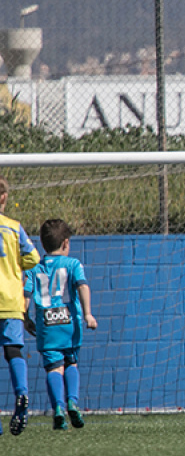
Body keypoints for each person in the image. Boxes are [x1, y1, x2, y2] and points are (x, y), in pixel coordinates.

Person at [24, 219, 98, 430]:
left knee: (54, 369)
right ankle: (72, 402)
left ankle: (57, 408)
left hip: (47, 327)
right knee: (71, 363)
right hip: (69, 324)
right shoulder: (73, 264)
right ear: (66, 243)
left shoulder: (34, 268)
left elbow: (26, 295)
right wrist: (88, 314)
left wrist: (25, 317)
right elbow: (82, 287)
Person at [0, 175, 40, 436]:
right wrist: (16, 266)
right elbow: (34, 258)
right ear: (4, 198)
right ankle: (22, 393)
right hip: (12, 300)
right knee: (13, 350)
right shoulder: (14, 228)